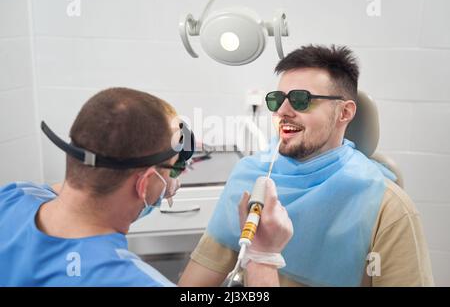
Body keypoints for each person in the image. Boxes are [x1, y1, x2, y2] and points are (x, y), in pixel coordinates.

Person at [179, 45, 434, 287]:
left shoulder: (386, 208)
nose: (283, 110)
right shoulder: (252, 181)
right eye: (277, 99)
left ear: (344, 112)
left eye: (301, 100)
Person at [0, 87, 292, 286]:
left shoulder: (13, 197)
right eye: (173, 167)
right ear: (143, 183)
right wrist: (263, 257)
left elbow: (88, 195)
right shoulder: (136, 280)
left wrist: (159, 178)